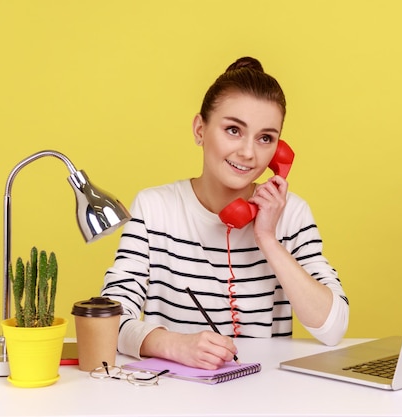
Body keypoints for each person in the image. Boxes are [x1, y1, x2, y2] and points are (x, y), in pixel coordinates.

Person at [101, 57, 349, 370]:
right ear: (199, 129)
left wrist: (267, 238)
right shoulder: (155, 209)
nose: (248, 152)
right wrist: (172, 343)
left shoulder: (292, 214)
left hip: (266, 394)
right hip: (173, 395)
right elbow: (108, 318)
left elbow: (333, 327)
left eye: (265, 138)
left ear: (279, 150)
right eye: (233, 130)